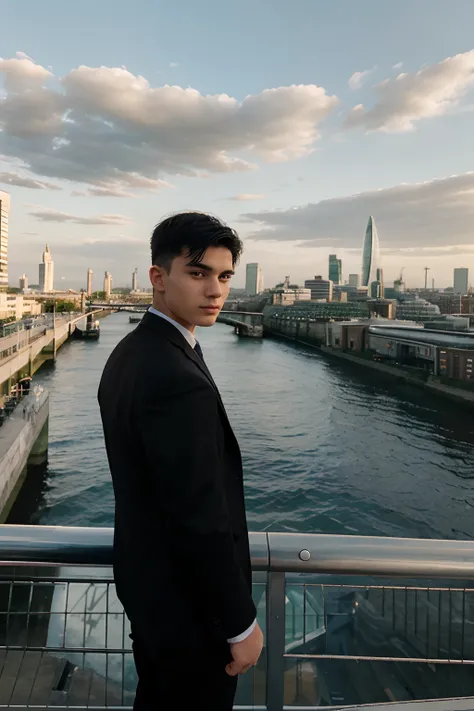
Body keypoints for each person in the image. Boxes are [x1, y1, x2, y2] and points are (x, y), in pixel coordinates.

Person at [98, 212, 263, 709]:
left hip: (152, 595)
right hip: (192, 613)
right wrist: (239, 624)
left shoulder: (132, 353)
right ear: (158, 277)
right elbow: (200, 518)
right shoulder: (176, 375)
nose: (215, 290)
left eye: (225, 275)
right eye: (198, 273)